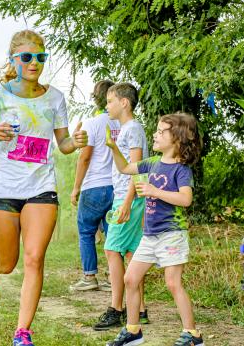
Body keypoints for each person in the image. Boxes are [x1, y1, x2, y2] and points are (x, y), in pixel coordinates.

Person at [0, 29, 88, 346]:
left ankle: (22, 332)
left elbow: (61, 143)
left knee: (35, 258)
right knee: (8, 262)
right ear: (13, 60)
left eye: (40, 57)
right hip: (2, 190)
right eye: (26, 57)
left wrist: (73, 143)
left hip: (41, 187)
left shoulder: (54, 98)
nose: (34, 62)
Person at [105, 112, 204, 346]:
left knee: (173, 282)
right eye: (156, 131)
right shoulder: (151, 163)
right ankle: (132, 330)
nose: (155, 135)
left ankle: (193, 334)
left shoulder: (181, 170)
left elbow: (185, 199)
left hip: (171, 234)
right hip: (150, 236)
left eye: (161, 132)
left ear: (177, 139)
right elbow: (125, 168)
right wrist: (113, 147)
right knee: (131, 278)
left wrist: (154, 191)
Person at [93, 83, 150, 332]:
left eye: (110, 101)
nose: (107, 106)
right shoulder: (126, 129)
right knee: (129, 253)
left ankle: (116, 309)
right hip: (128, 197)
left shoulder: (133, 129)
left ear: (124, 102)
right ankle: (140, 309)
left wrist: (127, 201)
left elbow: (136, 168)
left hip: (130, 198)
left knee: (111, 249)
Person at [69, 80, 119, 292]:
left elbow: (85, 157)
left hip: (94, 186)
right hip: (116, 186)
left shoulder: (92, 123)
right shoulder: (121, 124)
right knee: (112, 234)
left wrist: (76, 187)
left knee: (86, 231)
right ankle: (112, 278)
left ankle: (90, 277)